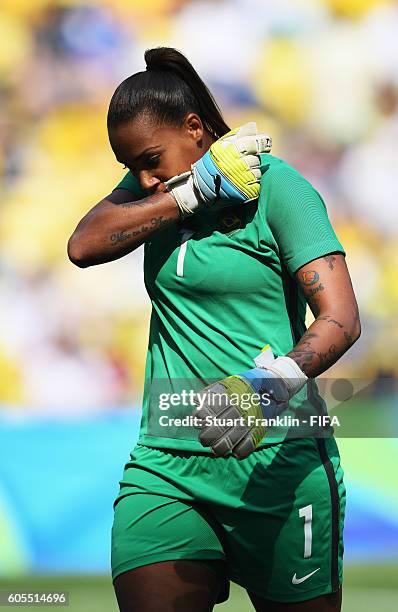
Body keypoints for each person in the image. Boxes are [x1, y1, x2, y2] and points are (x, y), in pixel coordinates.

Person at [68, 47, 361, 612]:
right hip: (167, 461)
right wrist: (189, 190)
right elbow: (83, 245)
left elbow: (342, 318)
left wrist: (269, 383)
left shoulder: (279, 188)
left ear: (195, 127)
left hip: (278, 461)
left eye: (152, 159)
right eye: (133, 167)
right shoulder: (161, 194)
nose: (146, 178)